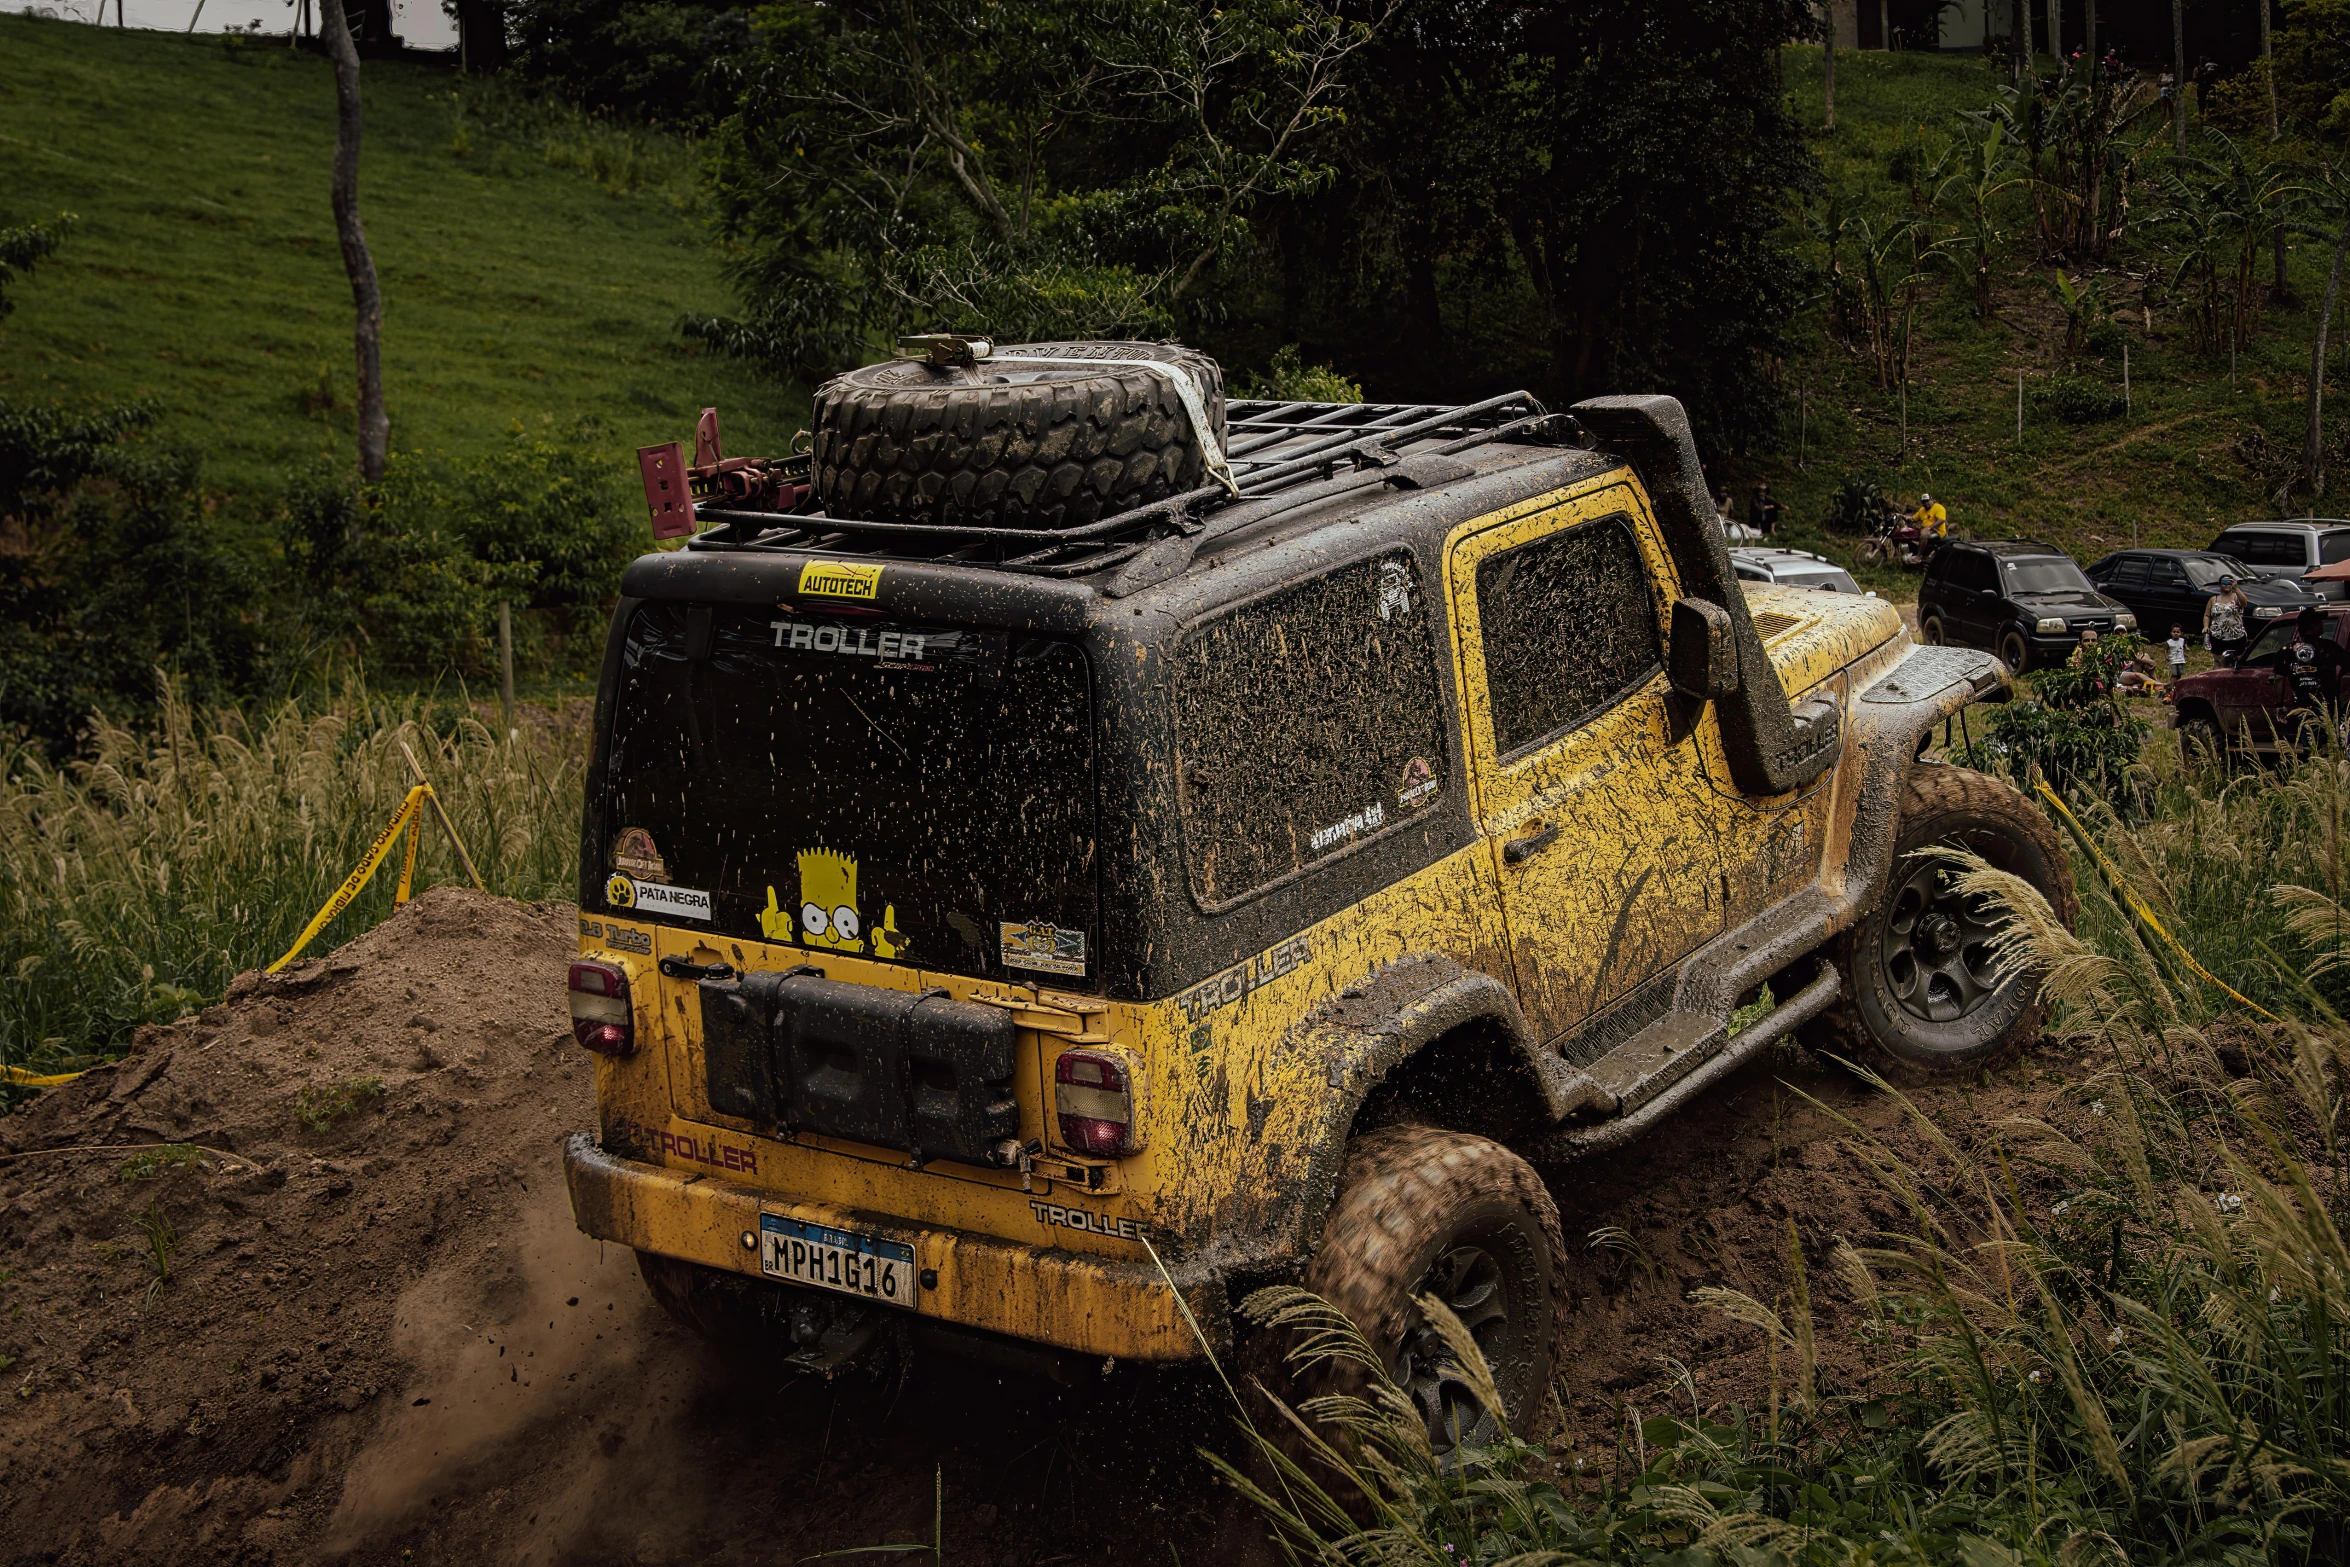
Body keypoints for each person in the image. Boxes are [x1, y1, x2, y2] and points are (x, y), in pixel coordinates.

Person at [2278, 607, 2344, 753]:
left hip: (2303, 706)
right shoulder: (2329, 647)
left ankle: (2315, 770)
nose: (2322, 624)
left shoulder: (2287, 650)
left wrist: (2280, 704)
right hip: (2328, 705)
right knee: (2337, 746)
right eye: (2319, 622)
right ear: (2312, 625)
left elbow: (2279, 678)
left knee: (2311, 749)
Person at [2204, 575, 2251, 666]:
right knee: (2218, 661)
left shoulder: (2236, 597)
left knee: (2238, 661)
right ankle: (2217, 678)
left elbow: (2245, 604)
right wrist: (2206, 626)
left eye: (2229, 582)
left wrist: (2236, 588)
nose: (2227, 585)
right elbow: (2207, 615)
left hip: (2236, 635)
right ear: (2220, 584)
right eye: (2224, 583)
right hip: (2217, 635)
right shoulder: (2213, 599)